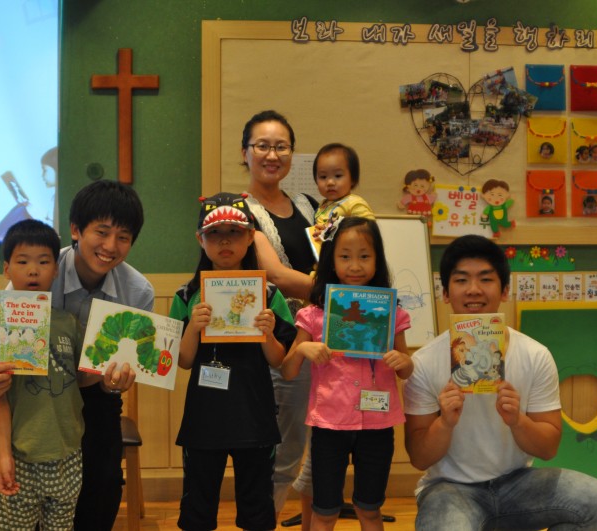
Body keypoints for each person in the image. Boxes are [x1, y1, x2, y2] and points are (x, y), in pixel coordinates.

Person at [403, 234, 597, 531]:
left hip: (518, 484)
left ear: (505, 290)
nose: (474, 290)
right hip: (450, 488)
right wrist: (445, 422)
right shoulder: (425, 362)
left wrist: (517, 420)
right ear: (445, 293)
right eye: (461, 280)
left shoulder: (535, 355)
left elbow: (548, 448)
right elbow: (419, 457)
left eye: (486, 279)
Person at [0, 179, 152, 530]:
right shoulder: (38, 268)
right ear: (75, 230)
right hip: (36, 402)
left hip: (95, 398)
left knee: (101, 487)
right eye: (101, 232)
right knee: (30, 497)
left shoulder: (138, 291)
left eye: (123, 237)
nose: (110, 246)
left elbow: (121, 373)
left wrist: (116, 383)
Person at [169, 192, 297, 530]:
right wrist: (193, 329)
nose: (225, 240)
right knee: (198, 506)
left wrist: (268, 334)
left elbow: (279, 361)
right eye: (214, 233)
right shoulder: (186, 295)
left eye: (235, 232)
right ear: (201, 239)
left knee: (257, 508)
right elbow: (181, 362)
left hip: (254, 415)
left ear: (251, 235)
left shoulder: (269, 295)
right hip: (204, 417)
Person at [281, 217, 414, 530]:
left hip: (379, 425)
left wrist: (402, 361)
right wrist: (302, 350)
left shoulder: (391, 311)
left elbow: (407, 368)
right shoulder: (313, 314)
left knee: (369, 509)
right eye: (345, 256)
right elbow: (287, 371)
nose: (355, 265)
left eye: (364, 256)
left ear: (377, 260)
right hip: (330, 425)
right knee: (325, 511)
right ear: (331, 260)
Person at [240, 110, 317, 518]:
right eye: (263, 146)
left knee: (322, 444)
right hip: (278, 345)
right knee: (282, 450)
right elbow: (277, 276)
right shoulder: (239, 211)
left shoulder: (308, 204)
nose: (273, 154)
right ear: (246, 153)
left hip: (323, 341)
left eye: (281, 146)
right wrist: (338, 288)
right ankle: (263, 522)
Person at [309, 143, 375, 256]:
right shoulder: (323, 205)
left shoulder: (354, 202)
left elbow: (370, 229)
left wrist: (334, 230)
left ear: (353, 179)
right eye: (323, 177)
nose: (330, 182)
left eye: (338, 176)